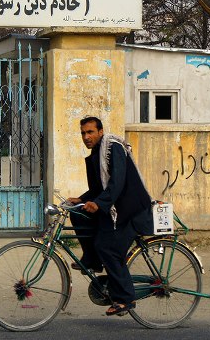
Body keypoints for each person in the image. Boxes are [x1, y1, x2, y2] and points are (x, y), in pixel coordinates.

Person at [67, 116, 153, 316]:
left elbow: (117, 182)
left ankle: (125, 299)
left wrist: (99, 204)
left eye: (90, 132)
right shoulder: (97, 154)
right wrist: (80, 199)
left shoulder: (112, 147)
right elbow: (99, 189)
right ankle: (92, 260)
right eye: (83, 133)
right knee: (79, 214)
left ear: (100, 132)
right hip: (117, 209)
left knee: (109, 248)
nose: (86, 137)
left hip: (132, 211)